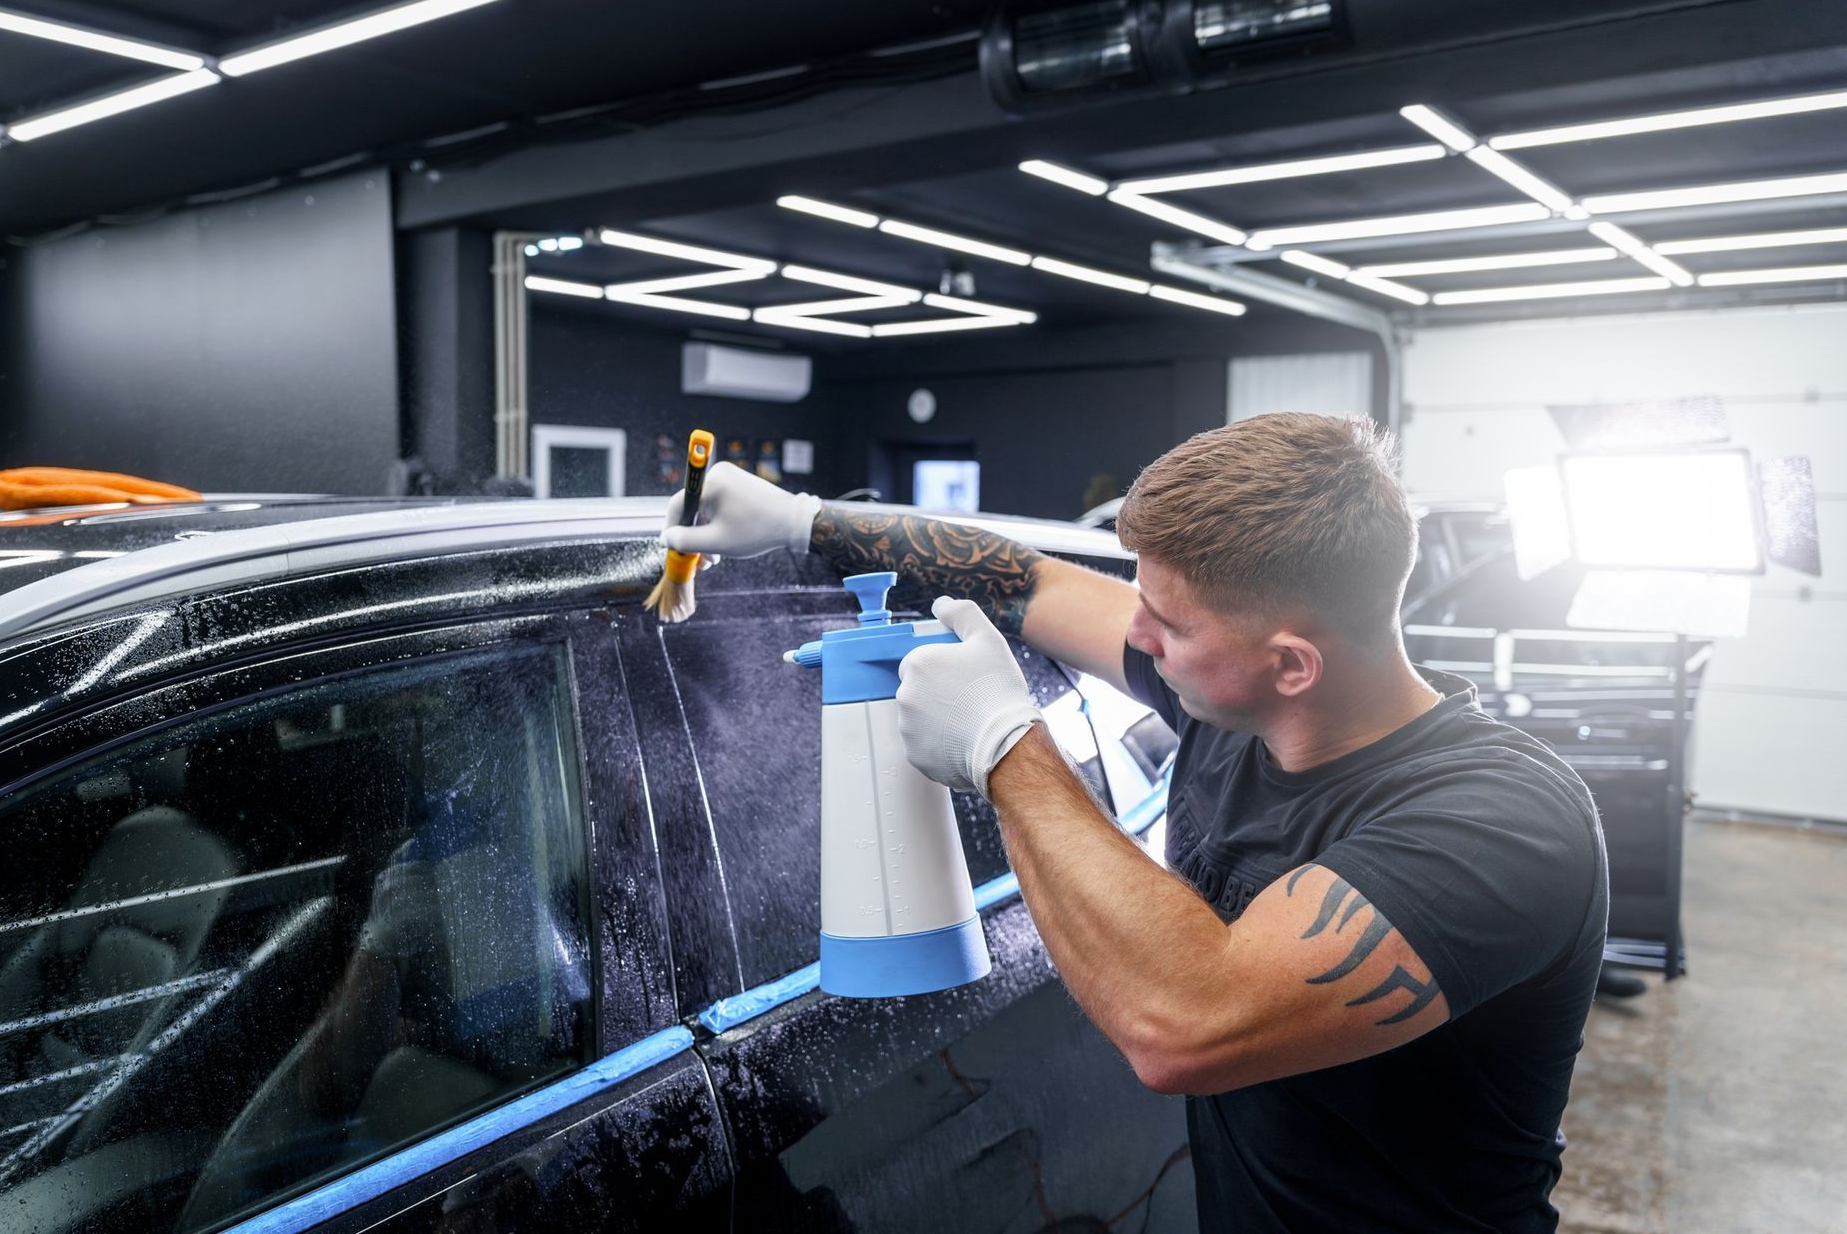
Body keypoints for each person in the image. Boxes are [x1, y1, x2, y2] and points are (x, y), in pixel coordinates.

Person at [663, 412, 1607, 1234]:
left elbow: (1184, 1023)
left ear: (1293, 665)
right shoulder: (1236, 693)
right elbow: (1027, 580)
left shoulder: (1503, 825)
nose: (1136, 635)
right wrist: (803, 519)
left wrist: (1004, 744)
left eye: (1169, 623)